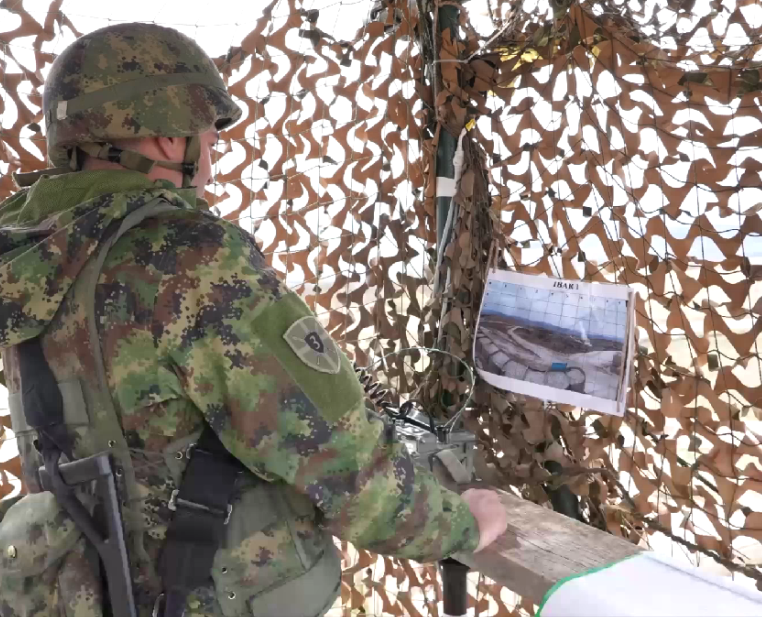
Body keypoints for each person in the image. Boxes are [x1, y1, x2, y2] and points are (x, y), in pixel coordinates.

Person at [0, 22, 506, 617]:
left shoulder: (38, 255)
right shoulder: (187, 259)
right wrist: (458, 524)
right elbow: (335, 454)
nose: (214, 139)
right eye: (209, 125)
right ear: (166, 137)